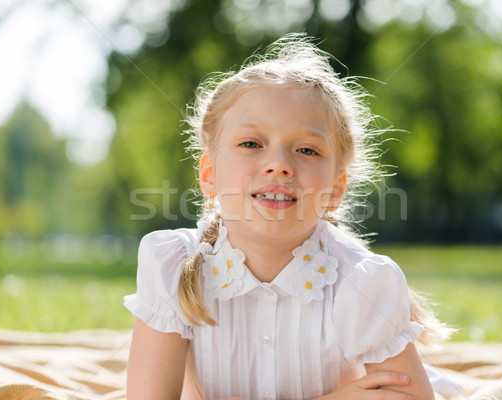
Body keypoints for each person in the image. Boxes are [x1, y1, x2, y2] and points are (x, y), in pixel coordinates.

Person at [124, 33, 452, 400]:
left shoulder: (361, 283)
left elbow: (408, 397)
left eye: (307, 150)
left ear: (334, 190)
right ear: (209, 175)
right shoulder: (172, 266)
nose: (279, 165)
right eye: (251, 144)